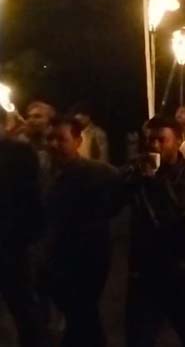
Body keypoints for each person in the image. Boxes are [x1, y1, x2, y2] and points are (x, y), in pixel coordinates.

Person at [123, 116, 185, 347]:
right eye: (150, 140)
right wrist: (131, 178)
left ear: (178, 141)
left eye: (161, 140)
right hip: (145, 271)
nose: (154, 146)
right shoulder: (137, 173)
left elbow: (178, 213)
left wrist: (153, 182)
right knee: (139, 336)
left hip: (182, 271)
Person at [44, 117, 120, 347]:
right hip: (56, 256)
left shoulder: (98, 172)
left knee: (82, 313)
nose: (54, 144)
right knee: (80, 316)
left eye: (61, 139)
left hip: (88, 257)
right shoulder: (45, 173)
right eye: (50, 138)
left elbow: (118, 199)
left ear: (77, 141)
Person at [0, 109, 51, 347]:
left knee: (23, 305)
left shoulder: (19, 152)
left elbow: (31, 197)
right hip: (18, 240)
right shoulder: (20, 150)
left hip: (14, 242)